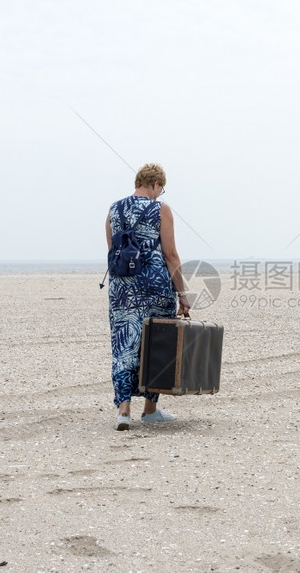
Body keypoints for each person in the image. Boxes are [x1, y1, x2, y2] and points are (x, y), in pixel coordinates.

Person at [106, 163, 191, 431]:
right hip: (154, 286)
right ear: (155, 184)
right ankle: (150, 410)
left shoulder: (113, 210)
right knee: (155, 343)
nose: (160, 193)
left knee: (124, 344)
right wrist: (183, 295)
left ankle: (123, 410)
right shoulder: (160, 209)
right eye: (161, 189)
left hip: (121, 289)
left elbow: (113, 251)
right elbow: (170, 255)